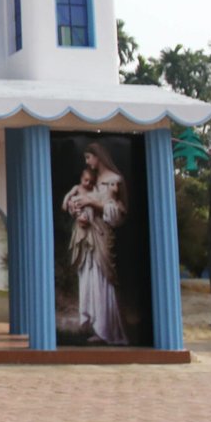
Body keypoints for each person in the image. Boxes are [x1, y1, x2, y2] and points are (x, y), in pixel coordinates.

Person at [65, 143, 130, 345]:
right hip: (88, 236)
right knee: (89, 276)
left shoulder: (113, 181)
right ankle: (96, 326)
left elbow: (117, 213)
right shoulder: (92, 181)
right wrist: (76, 209)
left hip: (101, 236)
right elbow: (79, 200)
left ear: (98, 156)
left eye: (88, 157)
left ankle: (108, 329)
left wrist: (91, 203)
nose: (87, 162)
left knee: (103, 279)